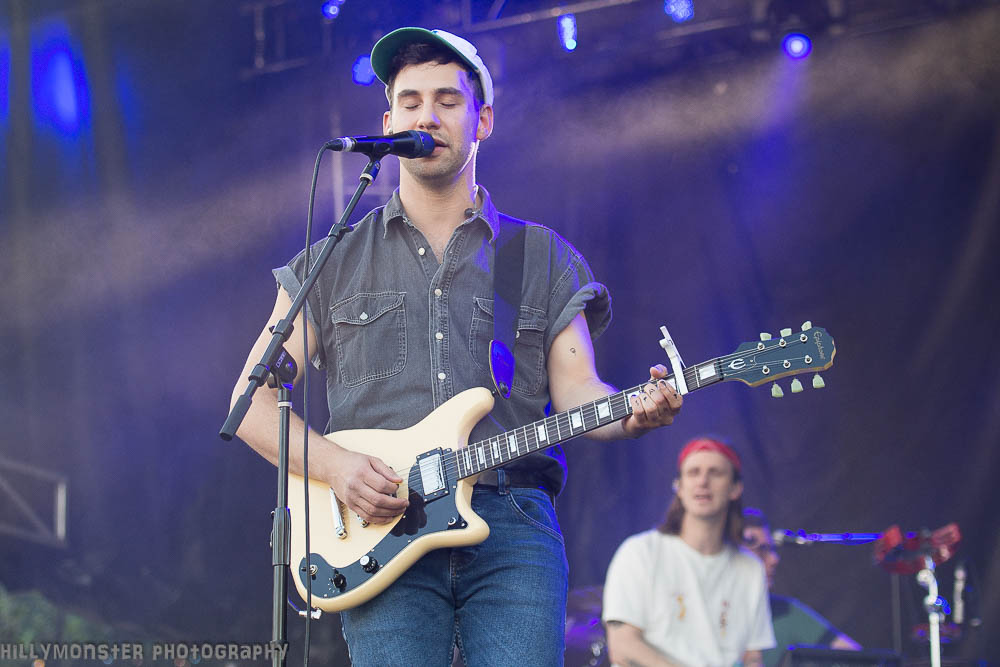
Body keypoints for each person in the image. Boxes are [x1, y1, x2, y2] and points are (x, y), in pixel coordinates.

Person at [230, 26, 683, 666]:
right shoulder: (331, 261)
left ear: (483, 121)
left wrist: (632, 412)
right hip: (378, 523)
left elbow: (580, 390)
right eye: (410, 102)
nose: (427, 116)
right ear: (388, 124)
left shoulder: (541, 256)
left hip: (512, 523)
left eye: (447, 100)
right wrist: (336, 468)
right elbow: (250, 405)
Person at [603, 437, 774, 667]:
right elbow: (622, 646)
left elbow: (752, 657)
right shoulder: (639, 552)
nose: (703, 481)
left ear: (735, 488)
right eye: (693, 472)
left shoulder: (750, 568)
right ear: (679, 487)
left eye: (715, 473)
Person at [742, 508, 861, 666]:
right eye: (762, 550)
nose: (774, 559)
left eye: (772, 549)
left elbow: (858, 660)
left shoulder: (786, 611)